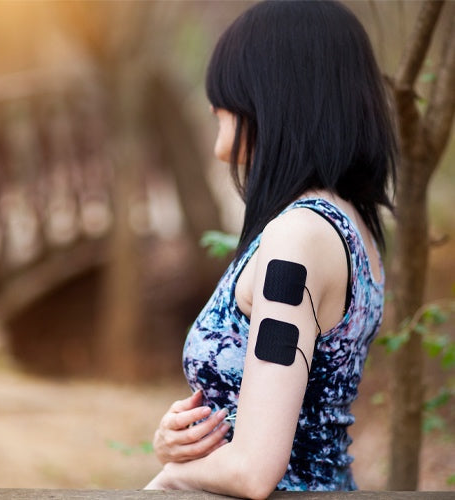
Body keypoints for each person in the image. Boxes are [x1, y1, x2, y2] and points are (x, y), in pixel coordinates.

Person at [145, 0, 397, 497]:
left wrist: (172, 477)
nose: (221, 149)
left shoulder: (297, 240)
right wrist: (176, 442)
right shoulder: (353, 227)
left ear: (271, 103)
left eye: (223, 115)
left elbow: (255, 471)